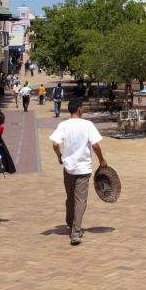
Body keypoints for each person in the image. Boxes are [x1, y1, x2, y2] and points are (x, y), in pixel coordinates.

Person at [49, 97, 107, 245]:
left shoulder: (63, 125)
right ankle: (75, 232)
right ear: (80, 109)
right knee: (80, 200)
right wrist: (101, 159)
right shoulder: (87, 125)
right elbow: (95, 146)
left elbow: (55, 144)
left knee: (70, 197)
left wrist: (59, 156)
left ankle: (70, 222)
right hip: (83, 167)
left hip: (68, 168)